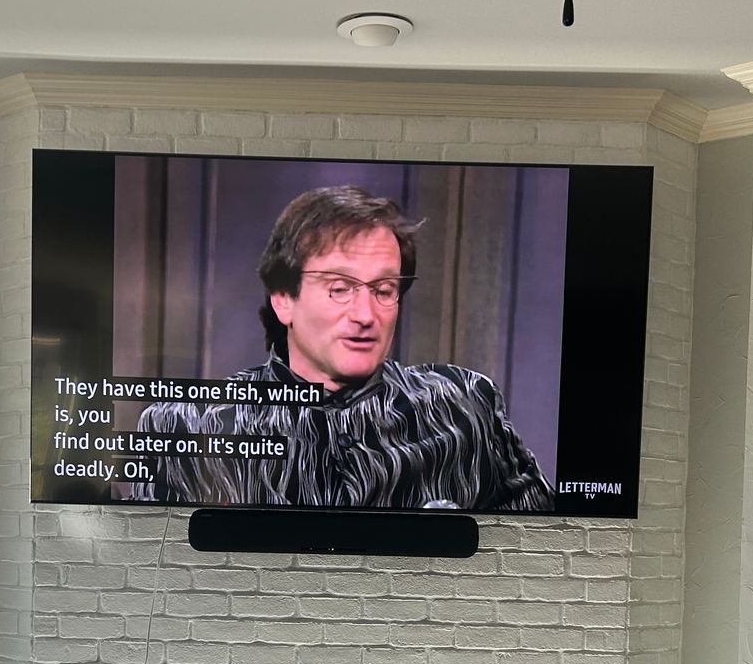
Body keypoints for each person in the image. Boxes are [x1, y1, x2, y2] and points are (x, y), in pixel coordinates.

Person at [128, 186, 552, 510]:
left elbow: (536, 552)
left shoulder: (462, 406)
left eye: (384, 289)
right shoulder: (191, 426)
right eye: (340, 288)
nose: (366, 314)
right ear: (283, 299)